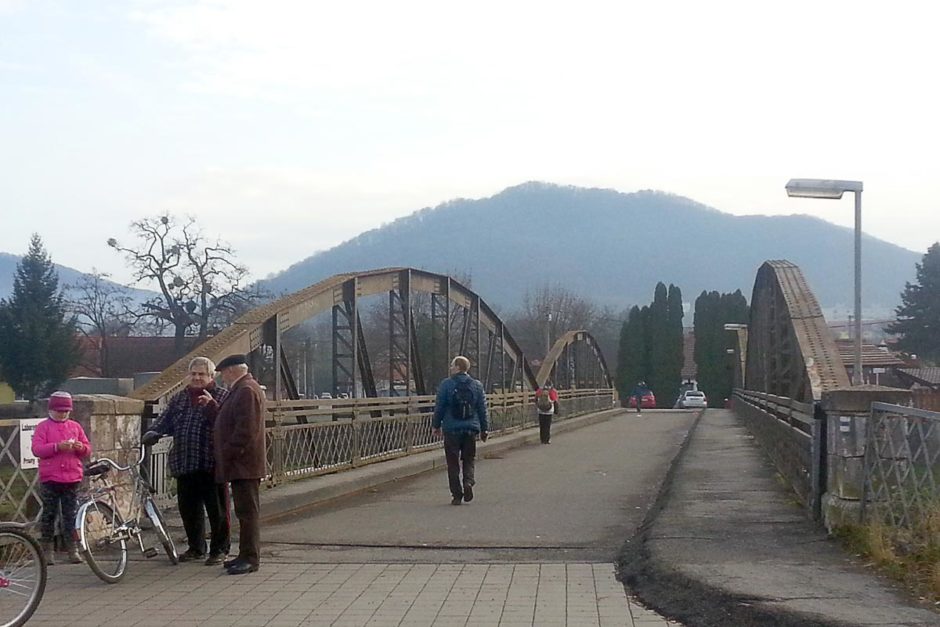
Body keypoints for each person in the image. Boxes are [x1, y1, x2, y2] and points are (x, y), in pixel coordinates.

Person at [142, 356, 230, 565]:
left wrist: (212, 407)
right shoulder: (180, 398)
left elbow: (227, 425)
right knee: (189, 509)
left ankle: (220, 549)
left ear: (212, 376)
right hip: (184, 461)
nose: (197, 378)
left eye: (202, 374)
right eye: (194, 374)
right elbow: (165, 420)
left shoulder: (223, 396)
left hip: (211, 463)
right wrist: (153, 432)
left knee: (217, 510)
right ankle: (196, 547)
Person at [200, 354, 266, 575]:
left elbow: (246, 431)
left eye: (223, 373)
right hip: (242, 463)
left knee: (248, 512)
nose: (222, 378)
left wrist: (227, 453)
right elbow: (230, 419)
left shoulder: (246, 391)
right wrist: (213, 407)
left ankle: (250, 558)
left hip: (244, 464)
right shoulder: (242, 389)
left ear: (231, 371)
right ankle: (244, 555)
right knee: (244, 511)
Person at [31, 391, 91, 565]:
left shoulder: (75, 426)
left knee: (70, 515)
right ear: (51, 410)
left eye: (65, 411)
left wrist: (81, 447)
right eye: (59, 411)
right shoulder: (43, 427)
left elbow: (87, 449)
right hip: (50, 477)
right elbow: (37, 449)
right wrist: (57, 447)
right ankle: (47, 550)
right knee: (49, 514)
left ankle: (72, 549)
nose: (62, 414)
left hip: (72, 477)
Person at [432, 356, 489, 505]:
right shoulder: (477, 385)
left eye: (452, 365)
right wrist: (484, 429)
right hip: (470, 429)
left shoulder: (446, 384)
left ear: (458, 367)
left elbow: (440, 407)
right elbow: (483, 409)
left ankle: (456, 495)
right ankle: (468, 482)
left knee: (453, 462)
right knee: (469, 459)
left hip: (451, 429)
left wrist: (436, 425)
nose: (450, 368)